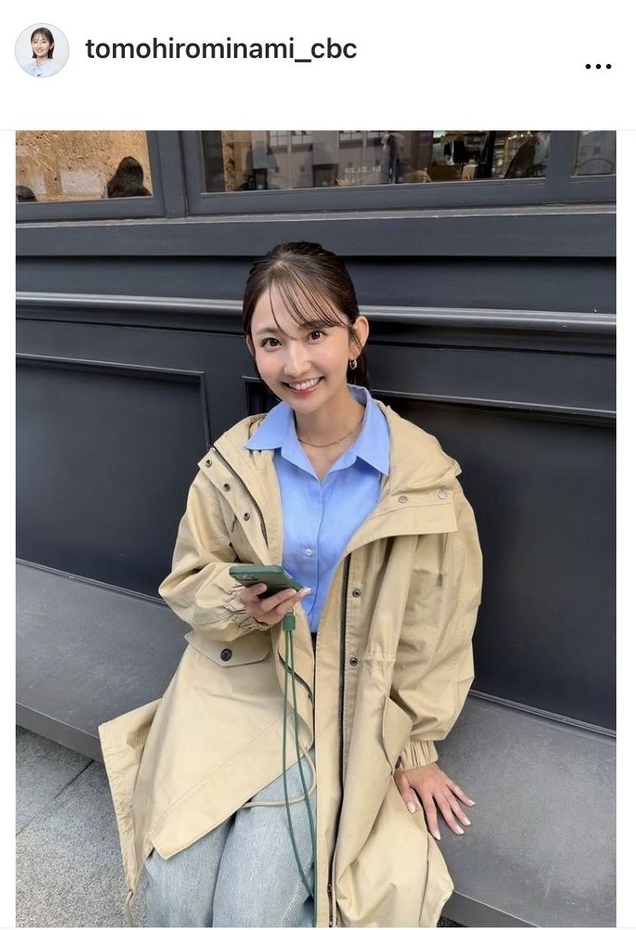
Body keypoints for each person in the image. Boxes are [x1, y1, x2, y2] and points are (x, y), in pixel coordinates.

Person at [99, 241, 482, 928]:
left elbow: (440, 628)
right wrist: (236, 599)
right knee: (172, 900)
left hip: (342, 704)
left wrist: (415, 747)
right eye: (273, 341)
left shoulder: (422, 480)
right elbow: (187, 578)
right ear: (251, 349)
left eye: (315, 334)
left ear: (356, 337)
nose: (296, 363)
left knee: (248, 914)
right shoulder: (233, 461)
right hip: (234, 684)